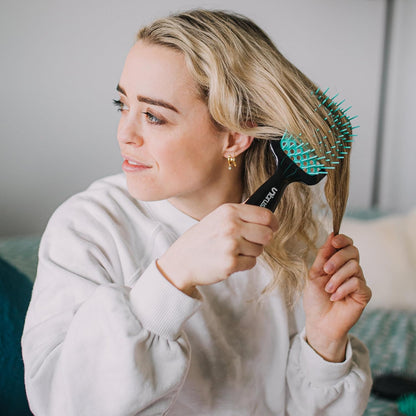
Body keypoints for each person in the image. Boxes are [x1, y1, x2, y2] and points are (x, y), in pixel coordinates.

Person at [22, 9, 372, 416]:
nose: (124, 134)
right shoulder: (88, 229)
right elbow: (59, 404)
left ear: (236, 135)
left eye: (153, 116)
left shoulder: (294, 235)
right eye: (122, 104)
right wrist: (171, 278)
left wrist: (325, 343)